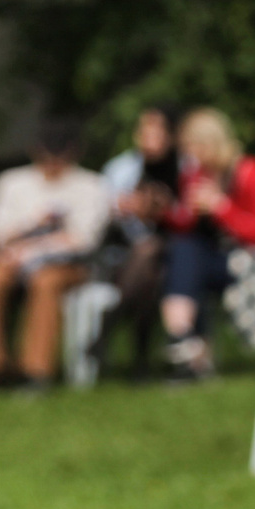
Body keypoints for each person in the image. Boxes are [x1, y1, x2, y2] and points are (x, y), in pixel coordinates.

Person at [0, 116, 115, 391]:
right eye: (47, 154)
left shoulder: (91, 185)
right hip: (11, 257)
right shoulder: (11, 182)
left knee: (45, 283)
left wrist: (34, 249)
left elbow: (84, 241)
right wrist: (32, 226)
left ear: (74, 152)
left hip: (67, 265)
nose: (53, 161)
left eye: (60, 155)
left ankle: (35, 371)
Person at [159, 106, 255, 379]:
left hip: (249, 262)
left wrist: (220, 206)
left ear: (210, 143)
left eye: (193, 147)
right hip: (211, 260)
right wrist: (167, 211)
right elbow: (186, 226)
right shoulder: (198, 174)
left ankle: (184, 344)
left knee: (187, 258)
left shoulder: (251, 172)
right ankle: (183, 340)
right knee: (185, 250)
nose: (189, 154)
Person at [96, 104, 182, 379]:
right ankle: (140, 361)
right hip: (125, 251)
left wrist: (159, 209)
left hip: (176, 249)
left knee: (149, 254)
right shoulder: (119, 169)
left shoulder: (185, 166)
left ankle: (108, 327)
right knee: (149, 272)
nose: (149, 135)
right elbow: (100, 215)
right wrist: (120, 209)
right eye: (145, 128)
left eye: (157, 129)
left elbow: (188, 213)